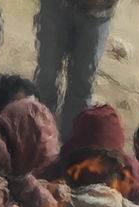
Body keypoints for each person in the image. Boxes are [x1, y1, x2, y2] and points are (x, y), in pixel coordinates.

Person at [33, 0, 119, 138]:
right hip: (56, 8)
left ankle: (72, 144)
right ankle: (38, 137)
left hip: (97, 13)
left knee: (82, 85)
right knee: (47, 76)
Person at [39, 104, 139, 204]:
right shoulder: (57, 171)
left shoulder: (132, 177)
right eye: (93, 159)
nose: (98, 167)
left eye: (106, 159)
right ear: (78, 157)